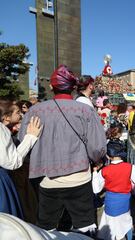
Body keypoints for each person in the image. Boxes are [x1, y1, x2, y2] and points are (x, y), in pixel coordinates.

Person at [18, 65, 106, 236]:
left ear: (51, 86)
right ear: (73, 87)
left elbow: (24, 144)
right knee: (83, 228)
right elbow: (97, 148)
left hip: (47, 180)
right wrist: (96, 160)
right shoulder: (86, 110)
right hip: (79, 178)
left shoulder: (34, 111)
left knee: (47, 229)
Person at [92, 141, 135, 240]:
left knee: (109, 224)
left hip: (110, 202)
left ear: (108, 156)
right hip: (124, 201)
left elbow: (96, 188)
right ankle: (130, 237)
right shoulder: (131, 167)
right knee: (126, 222)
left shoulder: (104, 170)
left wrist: (94, 172)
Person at [0, 100, 42, 218]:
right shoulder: (1, 130)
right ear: (6, 118)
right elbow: (12, 162)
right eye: (17, 112)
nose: (21, 115)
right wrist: (31, 136)